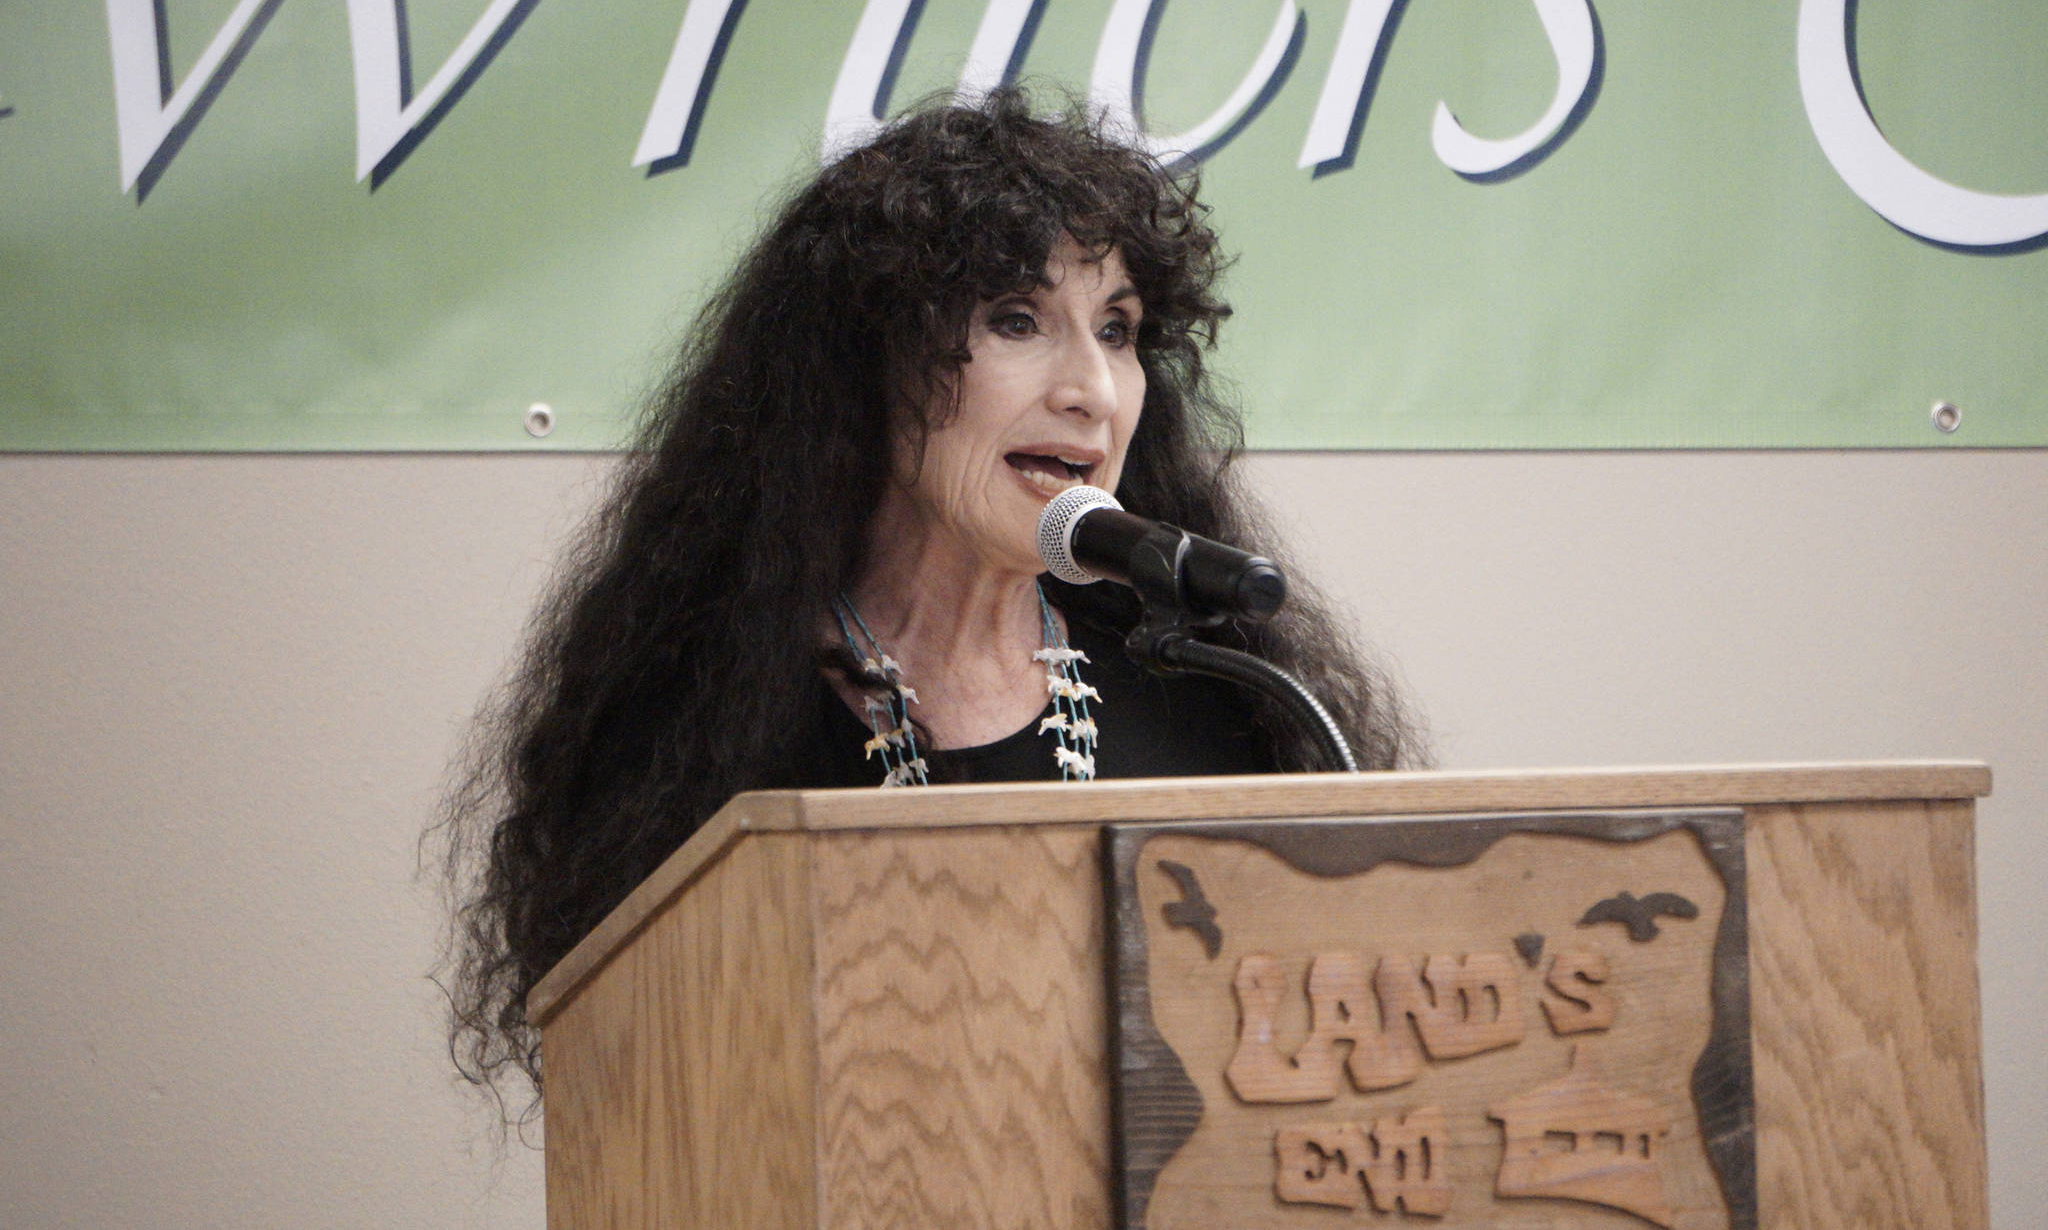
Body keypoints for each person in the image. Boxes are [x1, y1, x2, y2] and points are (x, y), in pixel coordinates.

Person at [437, 87, 1420, 1105]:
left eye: (1118, 328)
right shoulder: (706, 721)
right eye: (1014, 319)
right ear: (868, 365)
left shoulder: (1213, 695)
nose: (1091, 387)